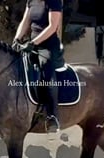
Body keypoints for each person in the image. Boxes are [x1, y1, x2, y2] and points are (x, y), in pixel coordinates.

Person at [12, 0, 65, 134]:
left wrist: (33, 43)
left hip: (48, 47)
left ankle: (52, 116)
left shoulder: (54, 2)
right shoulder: (31, 1)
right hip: (31, 45)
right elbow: (25, 21)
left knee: (46, 71)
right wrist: (17, 39)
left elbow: (53, 26)